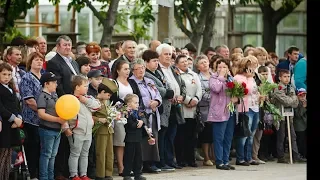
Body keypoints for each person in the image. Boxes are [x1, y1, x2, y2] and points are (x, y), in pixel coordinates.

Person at [64, 75, 101, 180]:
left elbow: (97, 106)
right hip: (76, 131)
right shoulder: (69, 99)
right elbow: (63, 115)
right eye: (84, 86)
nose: (87, 88)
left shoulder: (88, 98)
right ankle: (74, 174)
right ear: (77, 87)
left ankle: (83, 174)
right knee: (75, 153)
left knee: (85, 154)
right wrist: (66, 128)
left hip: (88, 131)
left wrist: (85, 100)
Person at [271, 69, 306, 163]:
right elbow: (287, 102)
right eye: (285, 77)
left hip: (290, 115)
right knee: (281, 136)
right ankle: (281, 156)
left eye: (288, 76)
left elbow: (295, 104)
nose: (287, 79)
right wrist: (293, 98)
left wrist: (293, 99)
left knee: (293, 136)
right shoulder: (278, 88)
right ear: (280, 78)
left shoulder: (290, 87)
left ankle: (295, 155)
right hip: (280, 116)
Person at [207, 59, 237, 170]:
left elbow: (237, 92)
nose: (222, 69)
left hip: (230, 111)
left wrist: (236, 98)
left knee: (228, 137)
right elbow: (216, 88)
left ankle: (225, 160)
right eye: (219, 67)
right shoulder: (213, 78)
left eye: (224, 67)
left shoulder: (231, 78)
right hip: (218, 112)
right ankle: (219, 161)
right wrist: (221, 76)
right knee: (219, 137)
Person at [37, 72, 65, 180]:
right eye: (53, 82)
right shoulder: (42, 96)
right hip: (47, 129)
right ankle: (44, 177)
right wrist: (58, 119)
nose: (56, 84)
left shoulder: (54, 96)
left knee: (52, 155)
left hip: (56, 129)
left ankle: (50, 176)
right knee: (46, 154)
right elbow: (41, 114)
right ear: (46, 84)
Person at [122, 94, 155, 180]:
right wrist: (138, 123)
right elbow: (130, 125)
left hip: (138, 138)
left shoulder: (137, 113)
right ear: (129, 104)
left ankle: (138, 173)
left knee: (138, 157)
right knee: (129, 157)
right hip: (130, 138)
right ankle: (127, 174)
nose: (137, 104)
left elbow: (142, 123)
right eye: (135, 103)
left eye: (138, 103)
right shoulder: (127, 113)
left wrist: (142, 123)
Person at [0, 63, 23, 180]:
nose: (7, 77)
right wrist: (13, 118)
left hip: (13, 125)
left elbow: (16, 104)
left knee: (8, 155)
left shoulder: (11, 88)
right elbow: (1, 108)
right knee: (3, 155)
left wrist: (19, 117)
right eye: (4, 74)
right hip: (4, 124)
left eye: (9, 74)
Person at [92, 78, 118, 180]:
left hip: (109, 129)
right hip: (100, 130)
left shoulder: (106, 102)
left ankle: (108, 173)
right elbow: (90, 116)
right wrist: (99, 119)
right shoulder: (94, 102)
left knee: (109, 153)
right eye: (108, 95)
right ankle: (100, 174)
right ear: (102, 92)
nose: (109, 97)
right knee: (101, 153)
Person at [293, 88, 307, 159]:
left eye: (304, 95)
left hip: (305, 125)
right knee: (300, 141)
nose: (303, 97)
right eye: (301, 95)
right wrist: (303, 107)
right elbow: (298, 115)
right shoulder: (296, 103)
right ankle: (300, 154)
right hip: (299, 126)